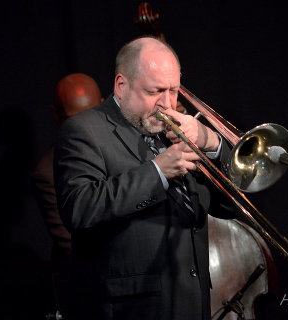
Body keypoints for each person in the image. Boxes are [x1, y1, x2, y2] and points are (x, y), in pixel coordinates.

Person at [54, 36, 234, 320]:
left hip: (192, 303)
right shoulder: (84, 130)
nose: (167, 104)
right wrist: (158, 171)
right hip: (130, 309)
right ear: (121, 86)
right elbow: (80, 208)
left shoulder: (175, 130)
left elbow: (231, 207)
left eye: (174, 90)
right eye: (155, 91)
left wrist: (213, 144)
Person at [31, 73, 103, 260]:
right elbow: (71, 245)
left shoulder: (121, 145)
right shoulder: (46, 173)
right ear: (56, 115)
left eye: (90, 116)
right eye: (74, 120)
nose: (84, 129)